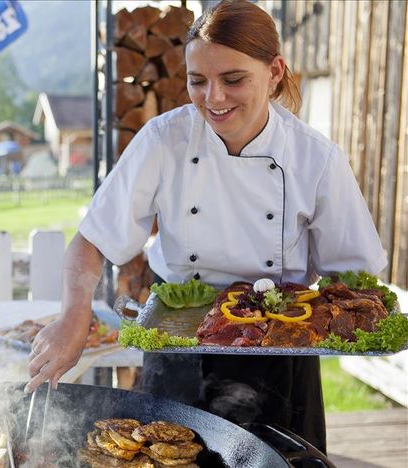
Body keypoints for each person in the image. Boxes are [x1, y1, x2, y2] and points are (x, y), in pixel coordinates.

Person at [25, 0, 386, 454]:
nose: (213, 98)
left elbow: (352, 279)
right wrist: (73, 317)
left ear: (274, 72)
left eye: (233, 79)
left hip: (278, 353)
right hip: (180, 349)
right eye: (198, 81)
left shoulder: (315, 158)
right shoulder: (164, 139)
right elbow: (92, 240)